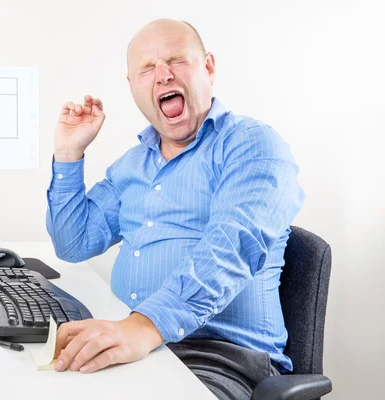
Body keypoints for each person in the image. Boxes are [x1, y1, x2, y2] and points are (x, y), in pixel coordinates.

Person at [45, 18, 304, 400]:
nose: (163, 75)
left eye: (176, 60)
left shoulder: (252, 145)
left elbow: (232, 247)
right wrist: (69, 153)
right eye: (147, 69)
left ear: (209, 68)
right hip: (139, 347)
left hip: (219, 359)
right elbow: (74, 242)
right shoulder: (132, 165)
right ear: (133, 87)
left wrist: (145, 325)